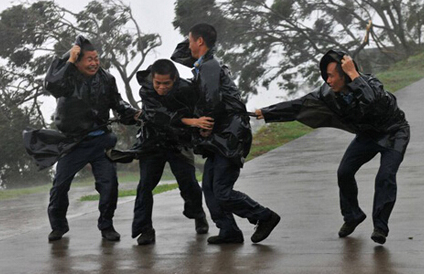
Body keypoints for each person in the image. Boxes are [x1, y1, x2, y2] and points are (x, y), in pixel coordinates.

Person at [256, 50, 410, 245]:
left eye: (331, 75)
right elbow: (298, 105)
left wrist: (354, 75)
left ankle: (380, 227)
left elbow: (373, 102)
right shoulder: (327, 94)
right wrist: (267, 112)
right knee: (344, 172)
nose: (327, 80)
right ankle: (352, 215)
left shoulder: (371, 84)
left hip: (395, 132)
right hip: (368, 135)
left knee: (385, 176)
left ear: (345, 74)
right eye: (325, 76)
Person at [171, 23, 281, 244]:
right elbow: (177, 55)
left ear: (199, 41)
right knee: (210, 187)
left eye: (190, 39)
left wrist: (204, 124)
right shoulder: (204, 64)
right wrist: (195, 36)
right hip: (222, 135)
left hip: (230, 135)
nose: (187, 44)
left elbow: (211, 101)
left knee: (221, 190)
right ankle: (229, 230)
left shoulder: (210, 66)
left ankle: (264, 216)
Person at [44, 36, 139, 242]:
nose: (94, 63)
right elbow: (52, 84)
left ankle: (107, 225)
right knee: (60, 185)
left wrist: (135, 114)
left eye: (96, 58)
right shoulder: (67, 79)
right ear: (77, 61)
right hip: (73, 142)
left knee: (109, 184)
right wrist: (68, 58)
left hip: (100, 141)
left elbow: (119, 104)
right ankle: (58, 226)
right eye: (88, 59)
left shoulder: (106, 79)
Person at [131, 59, 209, 245]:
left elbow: (199, 110)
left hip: (179, 142)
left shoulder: (187, 89)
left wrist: (200, 125)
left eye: (166, 83)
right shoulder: (146, 90)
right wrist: (189, 121)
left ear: (174, 79)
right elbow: (158, 116)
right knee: (145, 187)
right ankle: (145, 229)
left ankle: (197, 214)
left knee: (189, 183)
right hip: (153, 141)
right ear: (152, 78)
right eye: (158, 83)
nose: (161, 87)